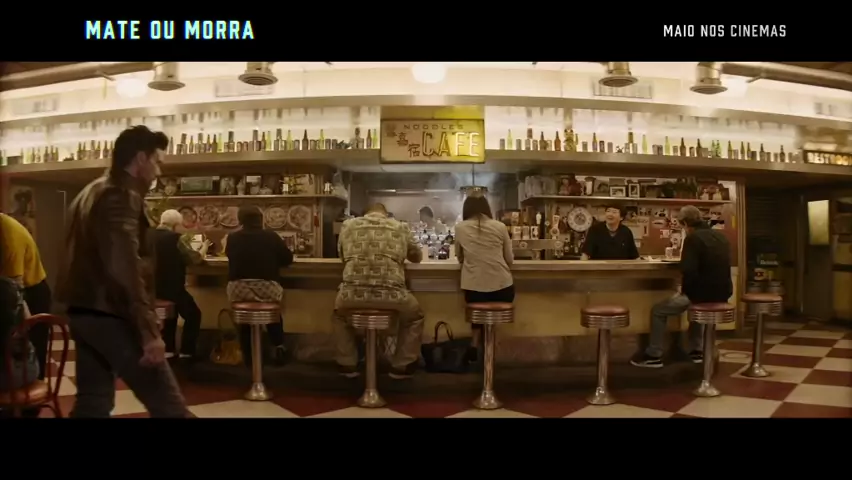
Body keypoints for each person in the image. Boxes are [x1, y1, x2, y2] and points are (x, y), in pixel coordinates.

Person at [55, 125, 189, 418]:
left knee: (93, 403)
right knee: (170, 407)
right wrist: (148, 331)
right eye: (157, 162)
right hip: (113, 316)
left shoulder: (90, 190)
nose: (158, 172)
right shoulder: (121, 194)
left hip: (82, 313)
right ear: (141, 159)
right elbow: (124, 266)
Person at [631, 205, 733, 368]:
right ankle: (697, 351)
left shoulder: (693, 238)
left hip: (701, 295)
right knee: (697, 310)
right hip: (723, 294)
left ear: (685, 223)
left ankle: (653, 355)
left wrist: (682, 292)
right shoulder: (721, 237)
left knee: (659, 311)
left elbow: (688, 270)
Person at [335, 203, 424, 379]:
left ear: (364, 213)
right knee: (415, 317)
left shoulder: (348, 225)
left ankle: (347, 363)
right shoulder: (400, 226)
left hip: (352, 294)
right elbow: (417, 257)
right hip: (392, 294)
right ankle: (402, 365)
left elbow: (342, 256)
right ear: (386, 213)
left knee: (339, 315)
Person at [225, 205, 293, 366]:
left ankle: (248, 355)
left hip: (238, 289)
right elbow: (287, 259)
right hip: (266, 287)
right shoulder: (271, 236)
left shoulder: (232, 238)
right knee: (273, 311)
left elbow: (229, 255)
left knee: (245, 319)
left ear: (241, 220)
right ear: (260, 219)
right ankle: (278, 347)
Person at [454, 195, 514, 361]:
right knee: (490, 314)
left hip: (474, 288)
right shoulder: (500, 226)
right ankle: (491, 346)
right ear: (487, 209)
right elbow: (509, 259)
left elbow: (459, 257)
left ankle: (475, 344)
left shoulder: (460, 228)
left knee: (478, 303)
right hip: (503, 288)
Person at [0, 212, 52, 383]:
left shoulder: (8, 234)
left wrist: (20, 326)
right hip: (10, 290)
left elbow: (15, 289)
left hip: (31, 291)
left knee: (32, 349)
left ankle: (32, 391)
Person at [152, 209, 208, 361]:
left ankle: (169, 349)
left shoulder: (147, 236)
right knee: (193, 315)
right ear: (175, 225)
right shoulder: (176, 238)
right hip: (171, 288)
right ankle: (187, 352)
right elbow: (195, 259)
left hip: (150, 290)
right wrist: (204, 247)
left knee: (172, 311)